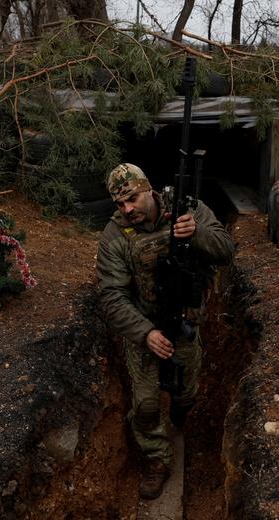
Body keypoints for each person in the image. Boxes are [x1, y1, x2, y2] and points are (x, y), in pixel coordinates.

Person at [95, 163, 234, 500]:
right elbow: (111, 295)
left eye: (131, 199)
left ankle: (179, 413)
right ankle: (156, 458)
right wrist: (145, 333)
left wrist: (196, 232)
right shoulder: (115, 236)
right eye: (119, 204)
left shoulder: (187, 209)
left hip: (185, 326)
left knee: (185, 394)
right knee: (144, 405)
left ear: (148, 190)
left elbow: (226, 249)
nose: (127, 210)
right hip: (145, 329)